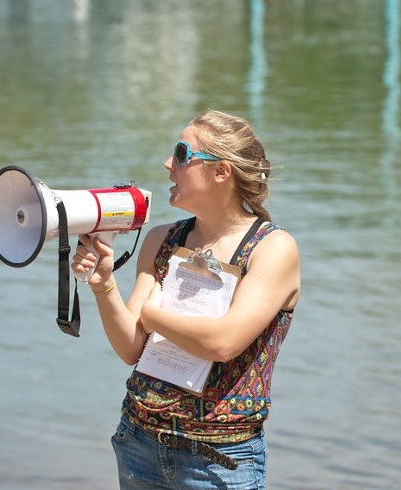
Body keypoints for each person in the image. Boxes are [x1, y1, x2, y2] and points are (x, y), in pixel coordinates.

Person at [71, 109, 300, 490]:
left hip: (218, 461)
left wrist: (150, 313)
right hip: (138, 443)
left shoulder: (272, 248)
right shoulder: (161, 238)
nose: (167, 164)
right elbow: (132, 349)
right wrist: (103, 284)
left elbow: (222, 343)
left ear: (221, 171)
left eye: (181, 154)